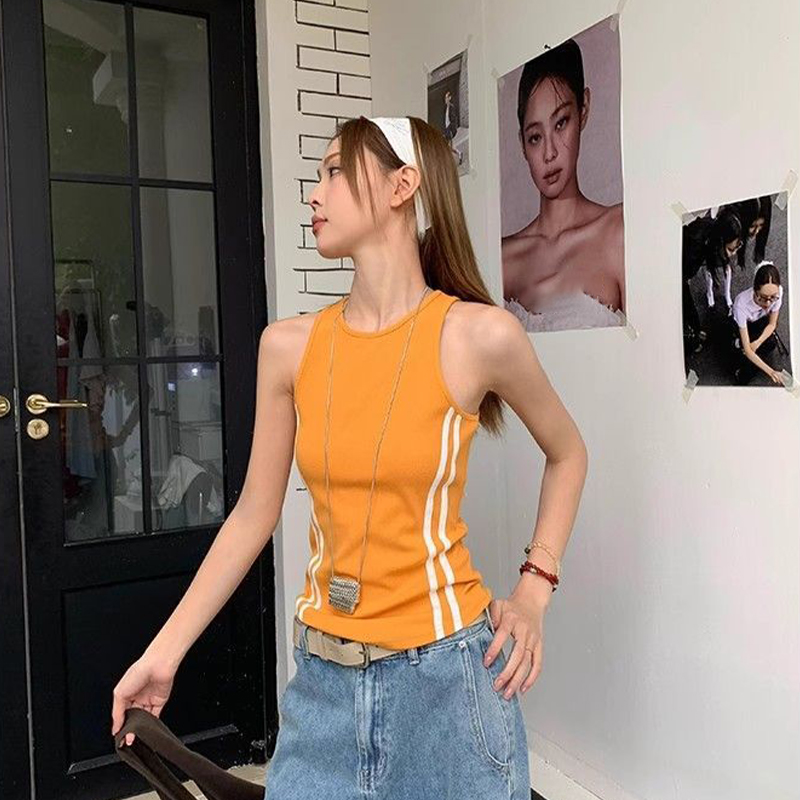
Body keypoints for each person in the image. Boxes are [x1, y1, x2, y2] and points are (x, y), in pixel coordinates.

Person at [110, 115, 588, 799]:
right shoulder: (288, 347)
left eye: (335, 170)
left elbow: (568, 452)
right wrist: (163, 654)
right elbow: (253, 515)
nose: (315, 192)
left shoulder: (479, 336)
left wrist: (535, 589)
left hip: (448, 686)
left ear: (402, 185)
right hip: (323, 687)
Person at [501, 38, 625, 332]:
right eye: (535, 137)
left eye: (560, 123)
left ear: (584, 109)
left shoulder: (618, 230)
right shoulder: (503, 257)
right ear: (522, 144)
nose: (549, 153)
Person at [728, 260, 785, 385]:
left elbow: (772, 324)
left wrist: (757, 343)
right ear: (754, 290)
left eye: (773, 298)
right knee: (746, 361)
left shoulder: (778, 292)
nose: (768, 303)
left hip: (760, 319)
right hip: (743, 324)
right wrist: (771, 372)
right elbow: (748, 350)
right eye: (763, 298)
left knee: (769, 343)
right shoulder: (741, 304)